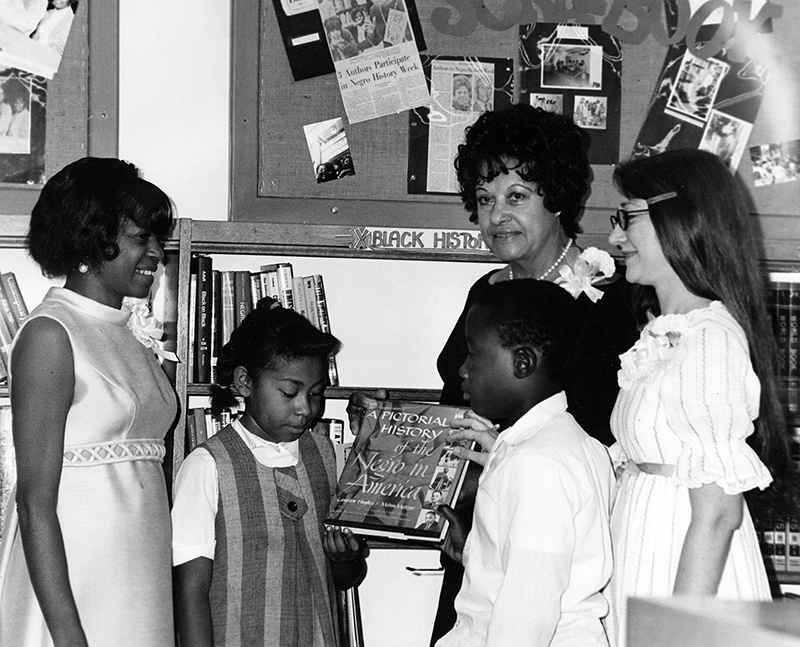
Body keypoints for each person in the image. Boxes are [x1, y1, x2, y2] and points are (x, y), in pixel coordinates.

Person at [347, 104, 639, 644]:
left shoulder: (611, 301)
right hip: (479, 529)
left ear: (558, 198)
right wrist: (392, 432)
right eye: (484, 200)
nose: (496, 215)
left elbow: (613, 442)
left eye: (516, 197)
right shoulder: (485, 295)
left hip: (560, 547)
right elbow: (459, 409)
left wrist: (502, 458)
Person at [605, 148, 786, 646]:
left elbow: (719, 514)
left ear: (680, 219)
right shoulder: (666, 333)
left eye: (628, 218)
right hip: (645, 552)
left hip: (686, 574)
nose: (615, 237)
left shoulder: (710, 340)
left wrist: (677, 632)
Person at [0, 157, 177, 646]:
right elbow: (35, 505)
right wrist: (68, 635)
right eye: (142, 239)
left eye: (157, 240)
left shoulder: (136, 334)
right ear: (91, 239)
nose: (157, 254)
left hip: (138, 579)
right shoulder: (51, 334)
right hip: (77, 587)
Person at [172, 297, 368, 647]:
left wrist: (346, 558)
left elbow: (346, 578)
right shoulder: (207, 466)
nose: (305, 408)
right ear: (245, 382)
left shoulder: (328, 457)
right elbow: (191, 591)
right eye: (289, 392)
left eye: (317, 393)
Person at [436, 279, 614, 646]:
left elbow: (527, 609)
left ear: (522, 363)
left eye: (473, 354)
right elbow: (537, 566)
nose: (462, 371)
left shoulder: (538, 461)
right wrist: (474, 547)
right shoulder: (569, 444)